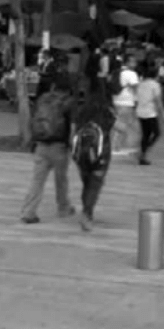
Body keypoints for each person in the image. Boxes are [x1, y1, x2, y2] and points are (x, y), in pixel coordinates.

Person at [20, 73, 77, 224]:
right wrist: (72, 145)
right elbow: (72, 126)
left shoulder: (42, 99)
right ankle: (63, 207)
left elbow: (33, 119)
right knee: (61, 179)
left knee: (37, 180)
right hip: (59, 147)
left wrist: (30, 138)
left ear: (53, 86)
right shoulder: (68, 103)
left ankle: (28, 212)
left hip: (41, 145)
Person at [71, 85, 115, 231]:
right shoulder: (106, 113)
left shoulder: (82, 112)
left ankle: (86, 211)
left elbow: (73, 131)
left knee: (87, 183)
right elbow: (122, 128)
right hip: (101, 155)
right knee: (94, 185)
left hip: (81, 156)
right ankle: (87, 214)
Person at [136, 62, 164, 166]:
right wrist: (162, 113)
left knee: (145, 134)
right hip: (150, 113)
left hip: (140, 111)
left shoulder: (141, 83)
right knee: (156, 133)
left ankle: (142, 154)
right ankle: (144, 151)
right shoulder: (155, 85)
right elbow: (158, 101)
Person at [111, 55, 140, 154]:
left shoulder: (118, 72)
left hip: (116, 99)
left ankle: (116, 146)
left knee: (120, 121)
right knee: (123, 123)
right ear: (127, 62)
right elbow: (135, 88)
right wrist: (137, 101)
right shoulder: (132, 74)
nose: (135, 64)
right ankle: (117, 146)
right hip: (126, 101)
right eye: (133, 62)